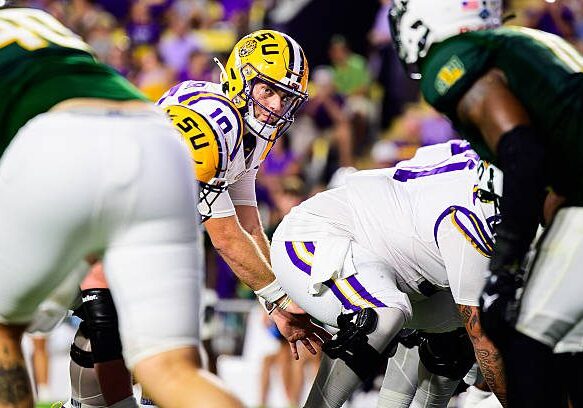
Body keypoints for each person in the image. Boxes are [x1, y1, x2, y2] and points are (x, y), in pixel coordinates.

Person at [67, 29, 330, 407]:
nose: (276, 106)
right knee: (138, 353)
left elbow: (249, 225)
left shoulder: (248, 134)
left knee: (138, 358)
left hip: (138, 245)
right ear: (241, 77)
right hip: (99, 231)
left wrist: (280, 297)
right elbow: (225, 237)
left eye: (286, 97)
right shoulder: (214, 119)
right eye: (268, 90)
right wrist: (279, 300)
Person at [0, 7, 240, 408]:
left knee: (4, 332)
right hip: (156, 139)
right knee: (171, 369)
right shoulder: (37, 23)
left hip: (62, 141)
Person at [389, 1, 583, 406]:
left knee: (524, 340)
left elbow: (523, 151)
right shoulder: (525, 42)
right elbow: (559, 160)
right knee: (569, 347)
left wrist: (506, 264)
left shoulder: (452, 59)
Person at [270, 140, 506, 407]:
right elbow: (486, 343)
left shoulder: (479, 157)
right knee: (384, 313)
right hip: (317, 235)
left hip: (390, 260)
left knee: (453, 332)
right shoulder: (472, 219)